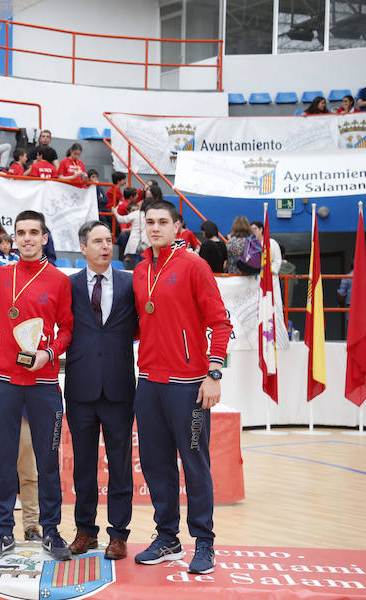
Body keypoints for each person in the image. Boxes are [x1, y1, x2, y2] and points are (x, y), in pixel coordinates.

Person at [131, 200, 231, 574]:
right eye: (149, 222)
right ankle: (168, 538)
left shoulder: (194, 266)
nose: (155, 228)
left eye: (162, 222)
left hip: (188, 385)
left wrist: (214, 372)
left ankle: (204, 542)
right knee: (157, 465)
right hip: (149, 384)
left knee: (194, 463)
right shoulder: (140, 271)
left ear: (177, 227)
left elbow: (221, 322)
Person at [0, 209, 74, 562]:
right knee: (3, 461)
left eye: (34, 232)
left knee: (47, 461)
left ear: (44, 238)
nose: (27, 239)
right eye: (21, 233)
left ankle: (50, 531)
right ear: (14, 238)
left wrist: (49, 353)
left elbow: (67, 328)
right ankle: (2, 531)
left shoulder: (59, 281)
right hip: (3, 381)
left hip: (43, 383)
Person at [65, 221, 137, 561]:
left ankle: (119, 534)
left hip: (120, 388)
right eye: (97, 241)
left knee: (120, 466)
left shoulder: (130, 282)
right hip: (80, 389)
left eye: (109, 241)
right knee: (83, 467)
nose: (105, 246)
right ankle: (85, 531)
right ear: (83, 248)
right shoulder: (70, 286)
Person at [0, 317, 41, 545]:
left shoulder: (31, 324)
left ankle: (32, 525)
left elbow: (34, 360)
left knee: (29, 472)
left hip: (25, 409)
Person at [115, 197, 144, 268]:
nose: (135, 212)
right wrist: (131, 229)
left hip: (139, 241)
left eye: (137, 210)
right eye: (133, 210)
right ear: (128, 212)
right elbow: (123, 230)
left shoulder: (141, 217)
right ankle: (124, 258)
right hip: (129, 238)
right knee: (123, 236)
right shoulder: (127, 218)